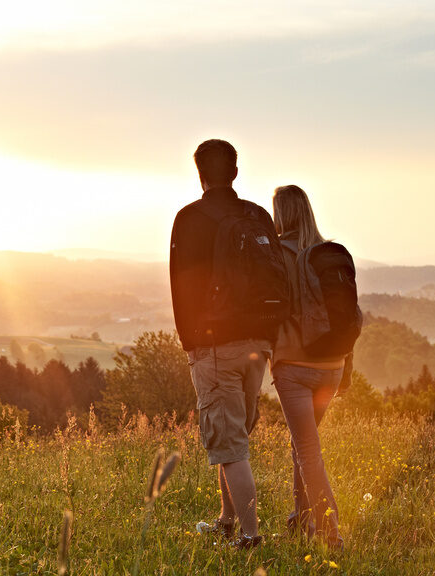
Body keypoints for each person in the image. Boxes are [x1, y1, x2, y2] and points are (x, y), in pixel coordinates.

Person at [170, 139, 284, 549]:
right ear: (235, 172)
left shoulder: (190, 218)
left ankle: (251, 538)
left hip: (215, 345)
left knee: (230, 443)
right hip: (260, 343)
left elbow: (180, 285)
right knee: (236, 435)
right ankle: (225, 520)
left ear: (199, 173)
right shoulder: (256, 215)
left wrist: (191, 343)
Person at [271, 184, 353, 550]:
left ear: (280, 214)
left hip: (294, 367)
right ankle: (301, 518)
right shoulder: (327, 254)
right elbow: (348, 316)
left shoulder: (276, 255)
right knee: (302, 443)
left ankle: (330, 532)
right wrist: (346, 367)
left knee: (307, 449)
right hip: (332, 365)